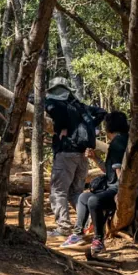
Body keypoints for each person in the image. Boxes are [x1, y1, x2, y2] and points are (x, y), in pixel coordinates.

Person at [62, 110, 129, 254]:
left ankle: (99, 240)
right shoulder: (123, 140)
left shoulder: (118, 142)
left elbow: (118, 171)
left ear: (109, 127)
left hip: (120, 189)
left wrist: (122, 194)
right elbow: (109, 171)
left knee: (93, 200)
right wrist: (95, 158)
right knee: (82, 197)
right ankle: (78, 233)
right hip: (115, 187)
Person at [45, 78, 103, 232]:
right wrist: (87, 126)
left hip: (66, 153)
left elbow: (51, 108)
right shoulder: (80, 106)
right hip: (83, 154)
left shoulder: (55, 103)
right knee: (75, 192)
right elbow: (101, 112)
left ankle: (63, 227)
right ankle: (89, 221)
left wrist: (63, 126)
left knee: (59, 191)